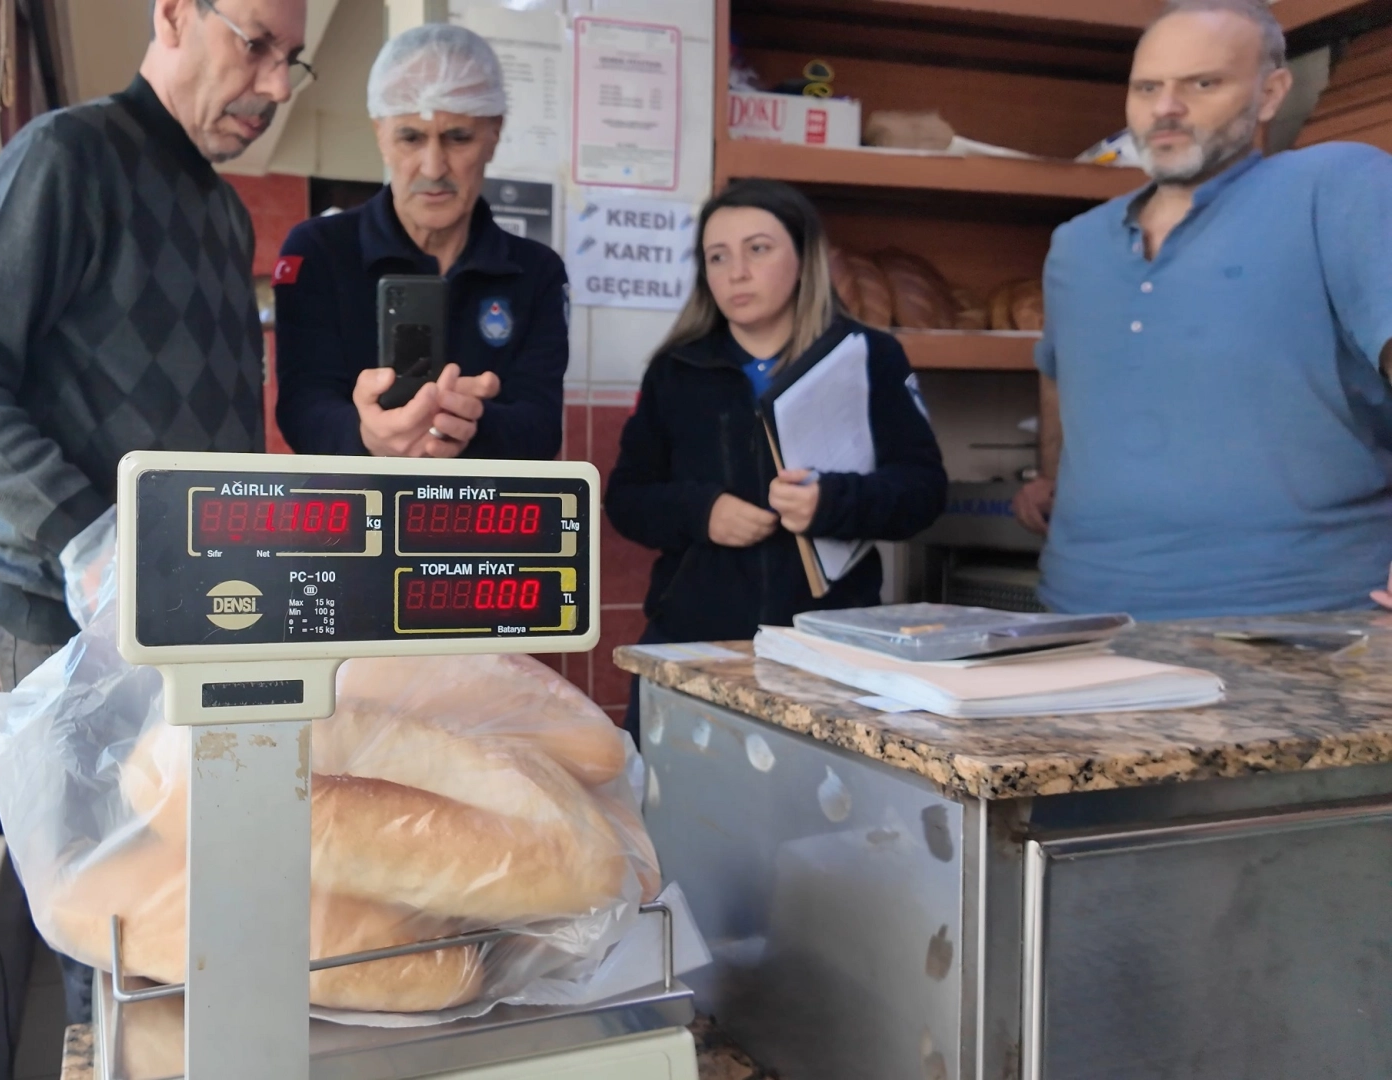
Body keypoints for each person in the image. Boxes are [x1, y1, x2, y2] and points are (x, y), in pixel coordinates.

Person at [0, 0, 307, 1025]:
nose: (272, 85)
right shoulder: (66, 156)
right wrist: (92, 534)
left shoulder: (220, 212)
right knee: (104, 922)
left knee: (190, 907)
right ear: (174, 12)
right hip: (65, 622)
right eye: (255, 44)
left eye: (290, 61)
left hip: (194, 621)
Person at [1012, 0, 1392, 620]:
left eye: (1203, 83)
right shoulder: (1075, 243)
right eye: (1147, 87)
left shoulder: (1338, 184)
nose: (1166, 107)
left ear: (1270, 94)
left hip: (1304, 620)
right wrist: (1049, 476)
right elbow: (1060, 376)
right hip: (1081, 619)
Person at [606, 180, 948, 738]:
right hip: (697, 641)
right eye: (717, 257)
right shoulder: (675, 370)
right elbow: (626, 498)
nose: (736, 272)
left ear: (803, 257)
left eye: (758, 249)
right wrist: (702, 511)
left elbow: (924, 491)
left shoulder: (867, 356)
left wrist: (833, 502)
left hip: (830, 650)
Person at [273, 24, 566, 460]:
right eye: (411, 137)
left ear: (494, 133)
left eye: (458, 137)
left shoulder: (537, 271)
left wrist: (468, 423)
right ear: (380, 134)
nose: (433, 166)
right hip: (355, 519)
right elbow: (302, 407)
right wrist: (369, 434)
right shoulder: (317, 251)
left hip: (485, 519)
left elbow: (542, 428)